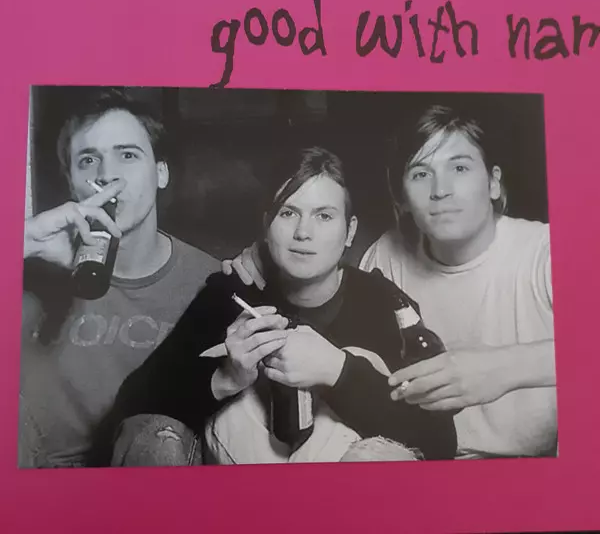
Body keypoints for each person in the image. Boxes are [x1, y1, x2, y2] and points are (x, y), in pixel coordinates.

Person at [224, 105, 557, 460]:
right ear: (401, 197)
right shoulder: (385, 256)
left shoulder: (547, 252)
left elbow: (589, 352)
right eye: (421, 173)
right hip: (417, 456)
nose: (440, 190)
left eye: (459, 168)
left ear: (493, 182)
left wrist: (502, 368)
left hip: (526, 468)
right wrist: (269, 256)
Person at [105, 147, 457, 466]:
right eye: (288, 212)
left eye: (324, 216)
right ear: (266, 225)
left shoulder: (383, 304)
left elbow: (440, 440)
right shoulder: (232, 294)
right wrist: (224, 379)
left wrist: (339, 371)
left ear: (350, 232)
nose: (303, 232)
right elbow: (133, 407)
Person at [19, 89, 220, 468]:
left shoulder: (210, 283)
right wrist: (21, 241)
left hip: (139, 483)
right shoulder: (30, 266)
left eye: (127, 155)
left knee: (159, 434)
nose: (106, 175)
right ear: (71, 182)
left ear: (161, 173)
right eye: (88, 160)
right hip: (32, 482)